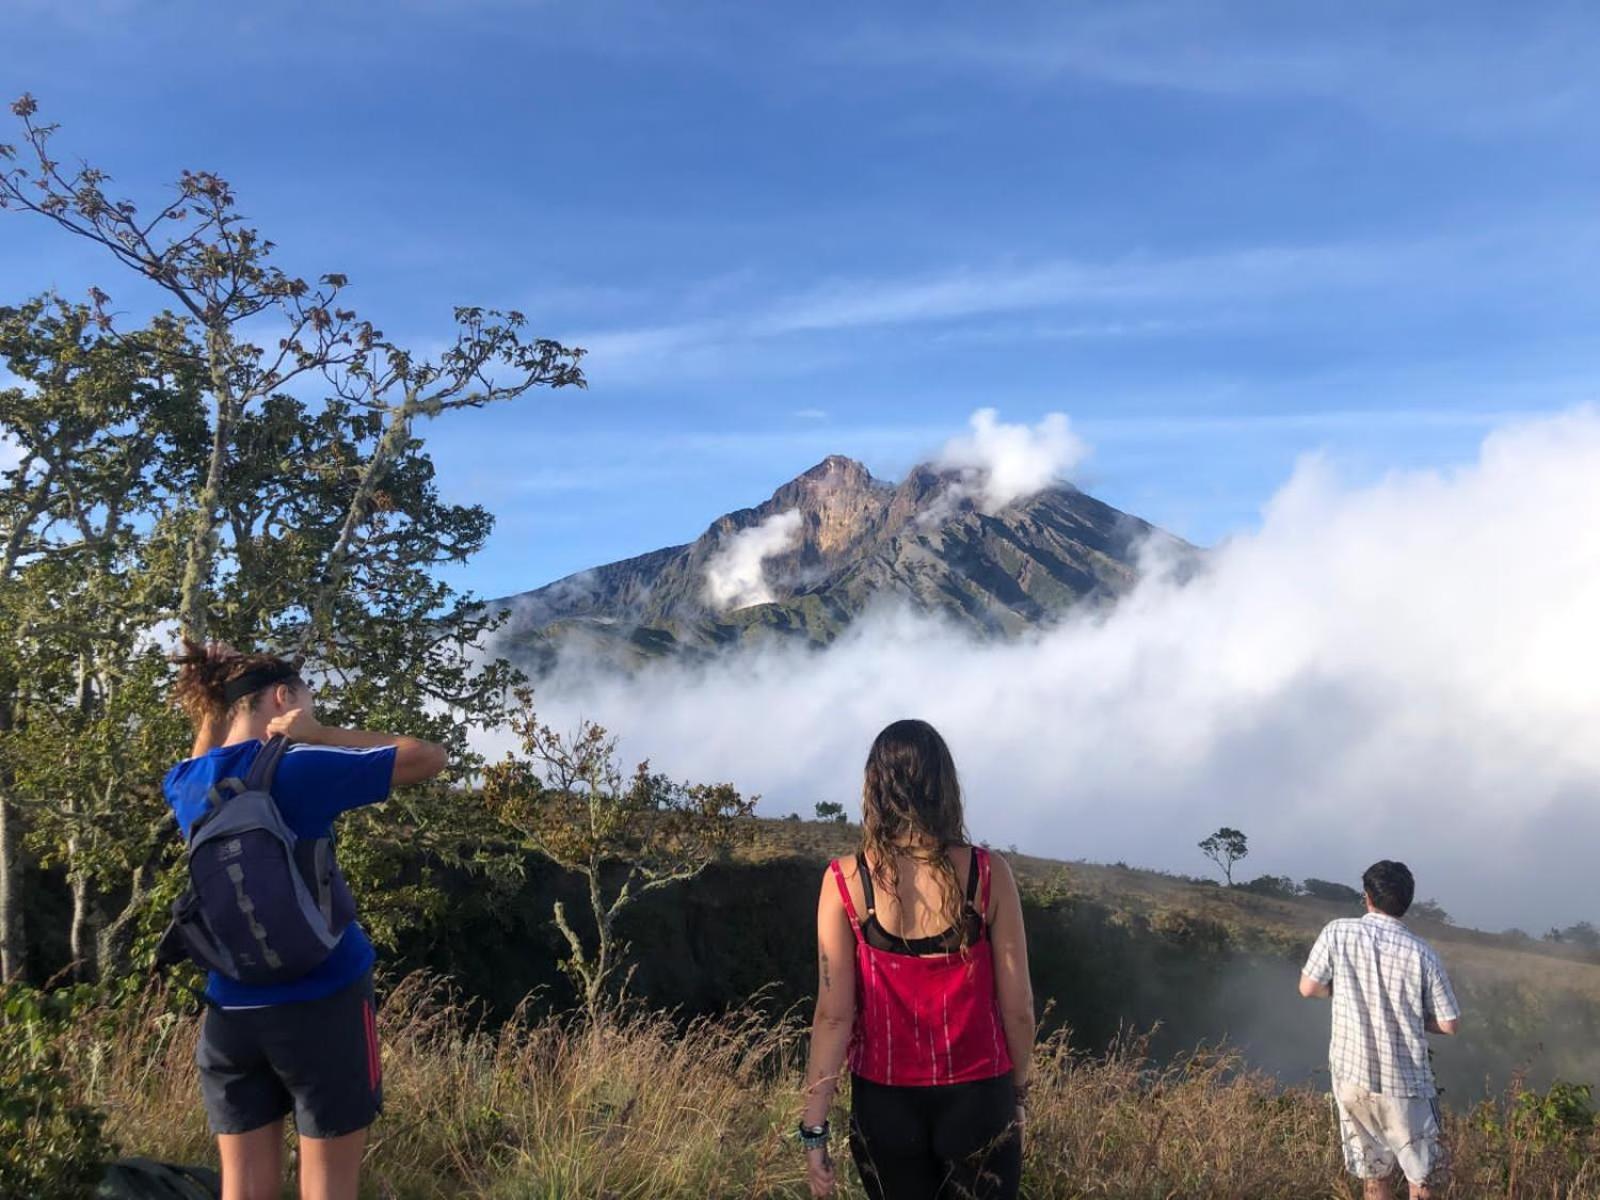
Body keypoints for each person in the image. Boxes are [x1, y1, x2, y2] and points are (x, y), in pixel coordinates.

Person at [164, 641, 447, 1200]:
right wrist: (319, 733)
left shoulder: (187, 785)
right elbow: (428, 756)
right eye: (306, 702)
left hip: (231, 1008)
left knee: (242, 1189)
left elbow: (202, 756)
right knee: (329, 1187)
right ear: (282, 698)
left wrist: (211, 698)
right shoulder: (300, 767)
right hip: (324, 997)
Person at [800, 719, 1035, 1200]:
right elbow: (1019, 1008)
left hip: (884, 1104)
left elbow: (832, 1016)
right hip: (980, 1096)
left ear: (875, 787)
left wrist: (814, 1128)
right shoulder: (988, 876)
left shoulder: (845, 882)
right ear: (943, 784)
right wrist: (1018, 1094)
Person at [1299, 860, 1462, 1200]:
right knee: (1423, 1179)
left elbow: (1309, 988)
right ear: (1407, 902)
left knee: (1373, 1176)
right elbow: (1449, 1024)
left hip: (1351, 1078)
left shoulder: (1337, 932)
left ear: (1367, 897)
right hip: (1405, 1085)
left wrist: (1342, 991)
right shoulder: (1423, 954)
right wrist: (1415, 1019)